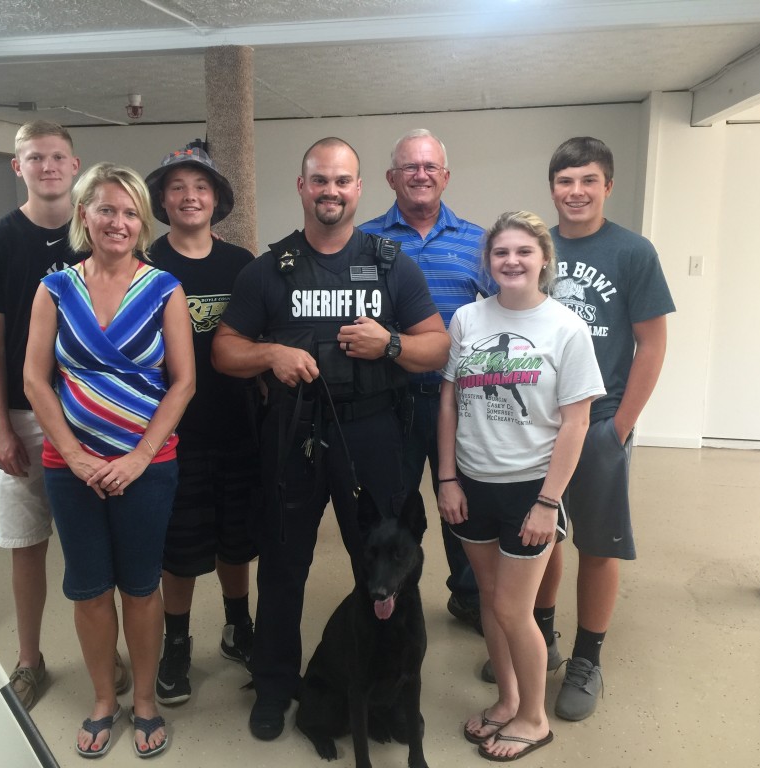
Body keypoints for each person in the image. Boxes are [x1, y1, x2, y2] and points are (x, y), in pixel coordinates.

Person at [212, 137, 450, 741]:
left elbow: (439, 346)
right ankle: (274, 687)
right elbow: (224, 350)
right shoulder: (269, 269)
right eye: (319, 180)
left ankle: (390, 688)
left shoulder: (393, 263)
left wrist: (390, 344)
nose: (331, 191)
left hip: (371, 430)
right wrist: (270, 353)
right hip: (294, 431)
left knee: (384, 566)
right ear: (301, 186)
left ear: (359, 188)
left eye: (342, 181)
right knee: (284, 565)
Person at [23, 163, 195, 758]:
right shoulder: (54, 289)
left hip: (148, 466)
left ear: (142, 222)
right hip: (70, 469)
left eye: (129, 212)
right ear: (83, 216)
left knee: (142, 587)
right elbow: (35, 380)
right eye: (105, 210)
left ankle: (144, 701)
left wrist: (139, 457)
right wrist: (73, 456)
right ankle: (104, 699)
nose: (118, 222)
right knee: (90, 589)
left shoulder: (165, 288)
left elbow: (182, 383)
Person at [0, 120, 129, 709]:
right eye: (36, 157)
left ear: (74, 164)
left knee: (99, 545)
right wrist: (0, 427)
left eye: (59, 156)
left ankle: (104, 650)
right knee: (27, 543)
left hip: (98, 417)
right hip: (26, 415)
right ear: (19, 167)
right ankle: (29, 659)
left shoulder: (103, 236)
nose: (49, 166)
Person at [437, 211, 604, 761]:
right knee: (489, 598)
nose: (512, 261)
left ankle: (535, 718)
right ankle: (508, 700)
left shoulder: (566, 328)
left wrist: (547, 503)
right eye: (502, 252)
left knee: (514, 609)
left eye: (524, 252)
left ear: (542, 261)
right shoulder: (466, 319)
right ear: (488, 261)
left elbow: (576, 422)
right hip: (473, 483)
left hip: (531, 488)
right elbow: (449, 401)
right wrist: (446, 477)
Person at [539, 137, 675, 722]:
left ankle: (588, 660)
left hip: (598, 424)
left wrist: (620, 426)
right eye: (566, 181)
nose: (576, 192)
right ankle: (541, 637)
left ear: (607, 186)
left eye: (588, 180)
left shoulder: (633, 252)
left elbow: (652, 342)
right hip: (538, 425)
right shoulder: (536, 248)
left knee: (597, 543)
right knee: (539, 538)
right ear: (553, 188)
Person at [360, 128, 497, 635]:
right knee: (391, 504)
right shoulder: (367, 240)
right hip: (387, 400)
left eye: (429, 167)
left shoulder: (478, 242)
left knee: (458, 501)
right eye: (409, 168)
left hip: (455, 400)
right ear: (392, 177)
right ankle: (391, 591)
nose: (420, 175)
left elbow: (501, 316)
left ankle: (467, 595)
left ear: (445, 176)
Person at [143, 141, 259, 705]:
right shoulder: (146, 265)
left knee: (237, 540)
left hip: (238, 427)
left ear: (217, 200)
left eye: (201, 188)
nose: (190, 197)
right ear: (162, 200)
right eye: (178, 188)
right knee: (181, 546)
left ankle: (238, 627)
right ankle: (179, 641)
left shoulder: (241, 265)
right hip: (168, 434)